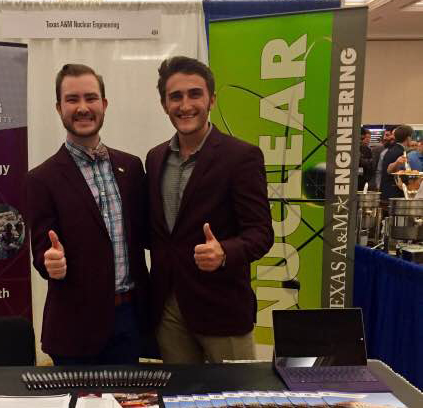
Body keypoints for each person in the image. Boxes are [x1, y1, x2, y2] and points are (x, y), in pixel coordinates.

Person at [145, 56, 273, 364]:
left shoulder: (242, 157)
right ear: (164, 104)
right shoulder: (155, 158)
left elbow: (261, 233)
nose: (185, 105)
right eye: (175, 96)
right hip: (169, 309)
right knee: (179, 402)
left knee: (233, 403)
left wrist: (225, 252)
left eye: (195, 94)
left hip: (222, 307)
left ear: (211, 100)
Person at [25, 64, 149, 365]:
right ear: (59, 108)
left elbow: (146, 234)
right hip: (74, 330)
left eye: (91, 98)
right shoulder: (41, 179)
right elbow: (42, 252)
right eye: (72, 99)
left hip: (129, 322)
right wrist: (49, 262)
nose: (83, 108)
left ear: (104, 105)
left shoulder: (131, 168)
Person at [380, 125, 413, 200]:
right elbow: (399, 174)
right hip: (394, 194)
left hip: (387, 191)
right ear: (408, 138)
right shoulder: (400, 152)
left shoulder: (390, 150)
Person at [371, 126, 395, 191]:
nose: (384, 138)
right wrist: (378, 185)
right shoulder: (378, 149)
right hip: (380, 186)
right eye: (384, 135)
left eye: (387, 135)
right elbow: (376, 170)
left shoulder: (398, 150)